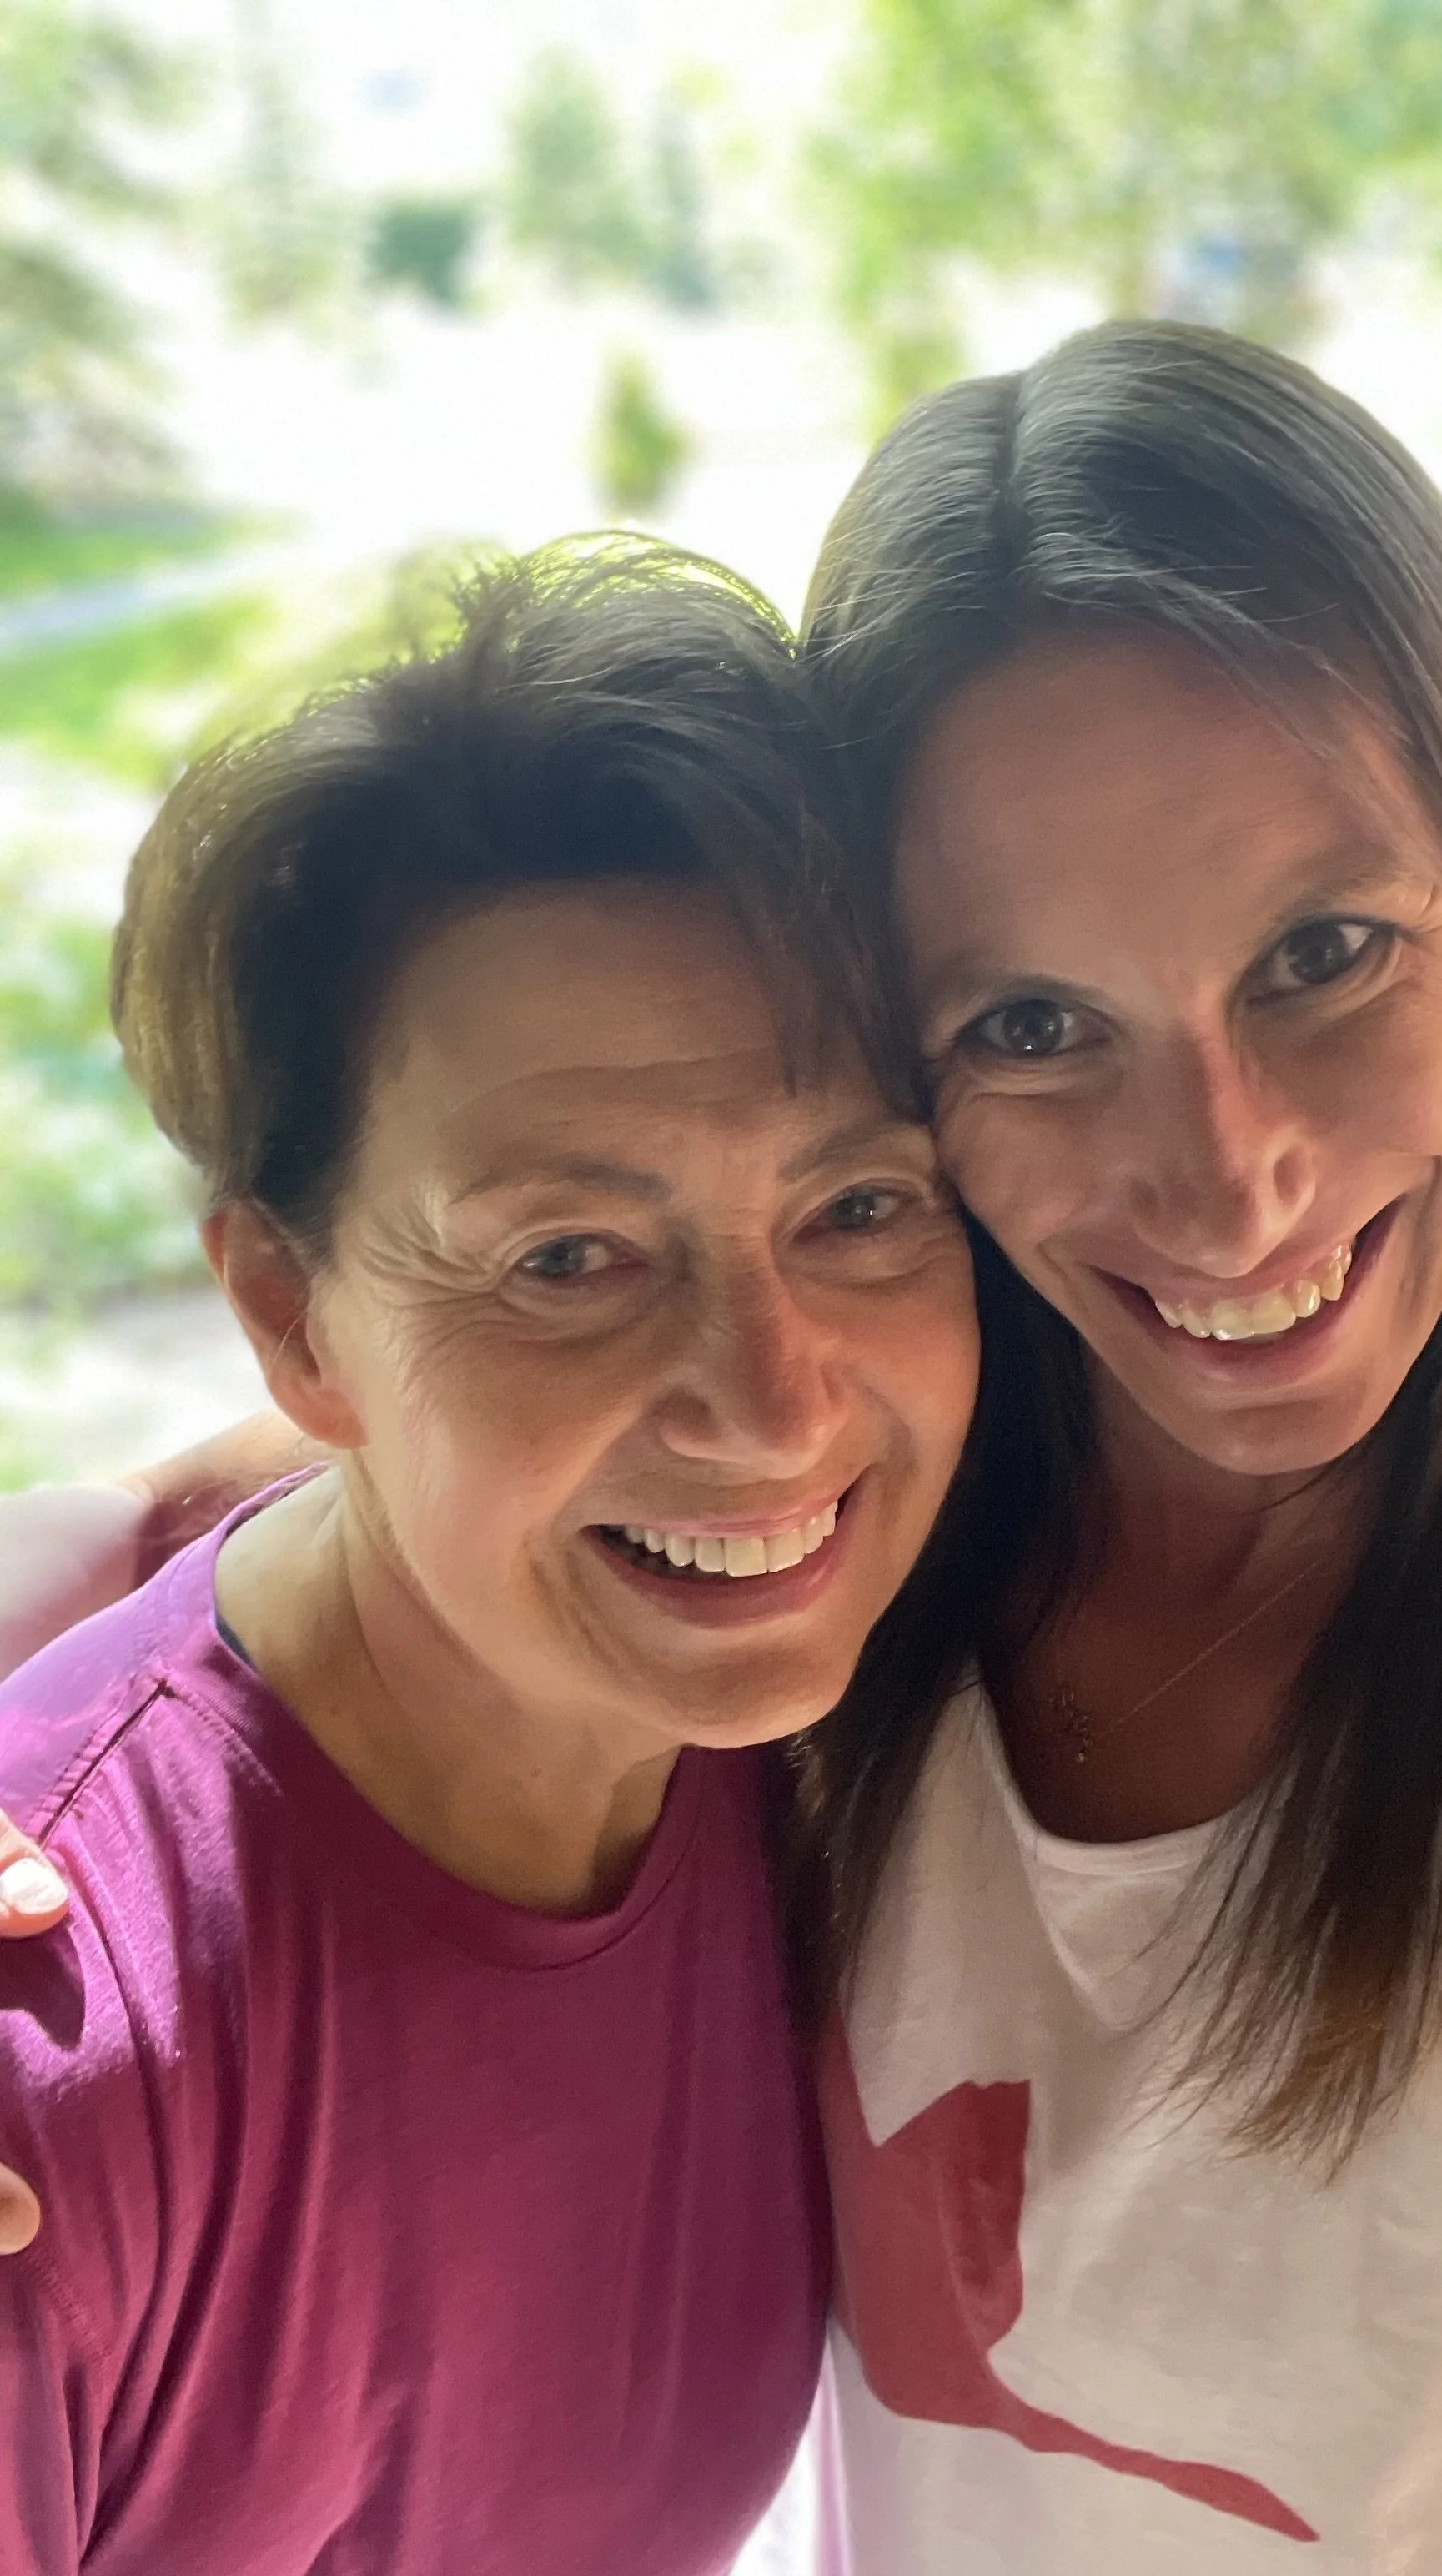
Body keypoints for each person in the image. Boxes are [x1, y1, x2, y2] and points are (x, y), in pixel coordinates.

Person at [4, 325, 1442, 2571]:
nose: (1225, 1184)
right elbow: (318, 1442)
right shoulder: (915, 1430)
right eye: (1029, 1023)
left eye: (1322, 952)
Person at [0, 542, 982, 2573]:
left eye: (860, 1205)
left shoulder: (850, 1728)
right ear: (294, 1319)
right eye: (569, 1257)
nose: (773, 1405)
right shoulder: (59, 2056)